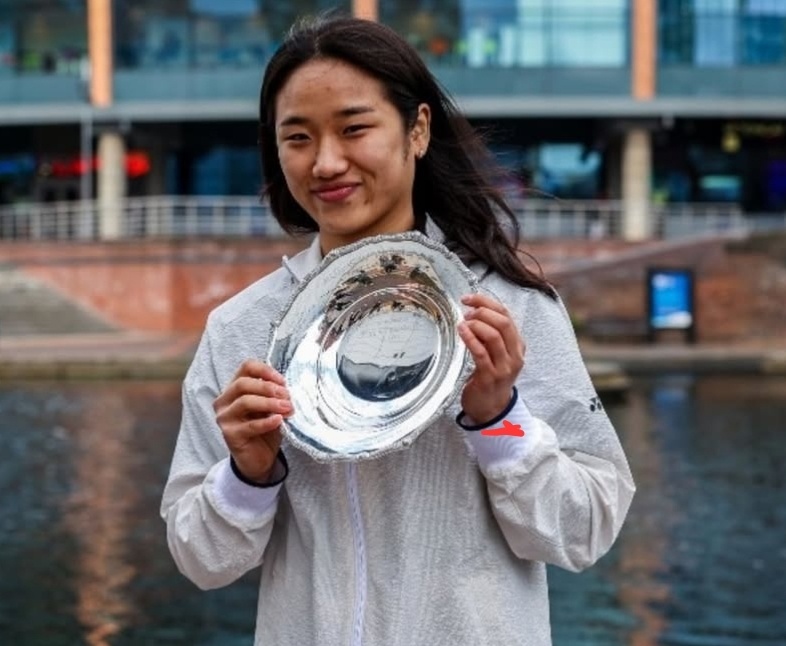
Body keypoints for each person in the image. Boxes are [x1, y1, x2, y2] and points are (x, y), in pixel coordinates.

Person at [160, 14, 635, 646]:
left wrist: (501, 420)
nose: (327, 162)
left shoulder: (507, 309)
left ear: (417, 129)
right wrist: (247, 472)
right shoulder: (243, 329)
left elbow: (587, 530)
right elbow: (200, 560)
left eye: (355, 128)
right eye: (297, 137)